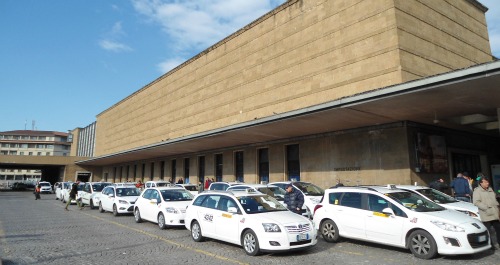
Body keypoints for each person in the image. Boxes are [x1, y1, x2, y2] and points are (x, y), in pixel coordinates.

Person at [473, 176, 500, 250]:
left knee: (498, 229)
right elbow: (476, 202)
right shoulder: (477, 191)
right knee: (488, 231)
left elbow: (494, 199)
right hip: (486, 214)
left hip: (494, 213)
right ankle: (490, 245)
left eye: (487, 182)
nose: (487, 183)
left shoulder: (490, 189)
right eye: (485, 182)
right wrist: (486, 208)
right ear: (481, 183)